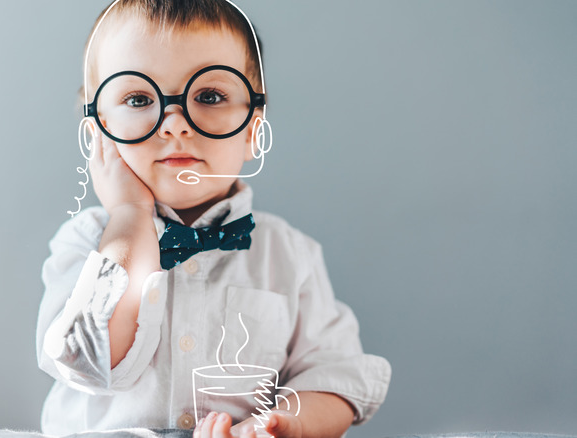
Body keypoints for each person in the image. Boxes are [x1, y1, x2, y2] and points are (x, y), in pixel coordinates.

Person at [36, 1, 391, 437]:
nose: (174, 123)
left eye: (209, 96)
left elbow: (335, 378)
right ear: (99, 135)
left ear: (251, 131)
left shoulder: (290, 255)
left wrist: (280, 426)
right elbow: (87, 360)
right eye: (138, 98)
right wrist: (129, 219)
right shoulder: (86, 242)